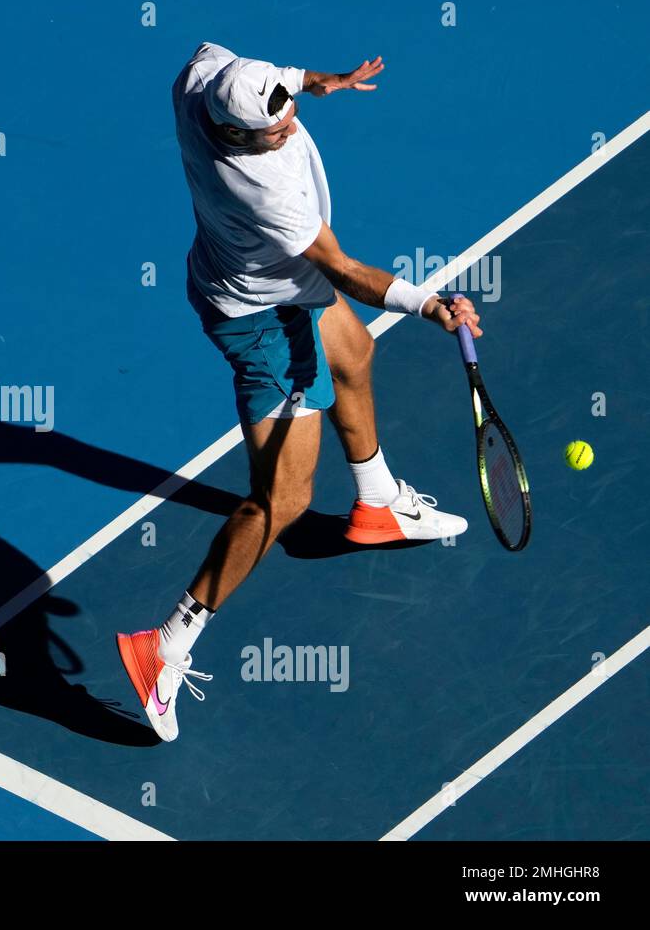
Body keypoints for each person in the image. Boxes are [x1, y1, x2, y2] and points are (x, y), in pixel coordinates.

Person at [117, 43, 483, 743]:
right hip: (264, 321)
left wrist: (325, 82)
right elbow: (345, 270)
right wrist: (432, 305)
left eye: (285, 110)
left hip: (268, 282)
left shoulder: (208, 77)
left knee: (353, 351)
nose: (287, 127)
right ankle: (166, 641)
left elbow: (272, 81)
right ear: (235, 137)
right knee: (281, 500)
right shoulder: (266, 192)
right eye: (273, 129)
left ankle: (377, 504)